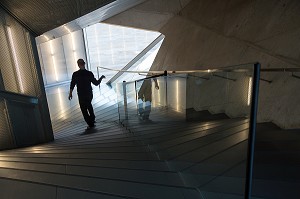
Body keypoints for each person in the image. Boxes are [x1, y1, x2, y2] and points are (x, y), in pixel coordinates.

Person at [68, 58, 105, 129]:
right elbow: (96, 83)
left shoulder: (75, 74)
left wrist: (70, 93)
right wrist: (101, 78)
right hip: (89, 94)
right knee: (89, 105)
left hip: (81, 94)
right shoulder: (89, 73)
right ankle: (92, 119)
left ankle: (90, 123)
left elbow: (72, 84)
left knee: (84, 109)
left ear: (78, 65)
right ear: (84, 64)